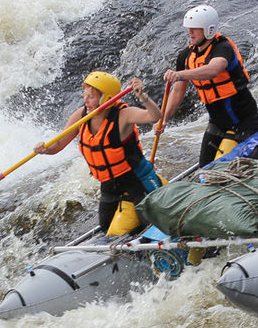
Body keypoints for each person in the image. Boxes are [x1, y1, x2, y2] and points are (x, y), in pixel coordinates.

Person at [35, 71, 163, 233]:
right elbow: (58, 145)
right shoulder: (81, 116)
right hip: (109, 186)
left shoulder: (124, 115)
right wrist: (45, 149)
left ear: (107, 99)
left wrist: (142, 96)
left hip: (136, 182)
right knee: (105, 228)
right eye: (85, 95)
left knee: (151, 228)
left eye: (91, 97)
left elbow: (155, 116)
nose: (86, 101)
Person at [162, 4, 258, 167]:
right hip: (217, 121)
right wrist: (164, 118)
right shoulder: (185, 56)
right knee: (205, 170)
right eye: (189, 28)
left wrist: (181, 74)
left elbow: (213, 69)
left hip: (245, 119)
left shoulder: (222, 48)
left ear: (208, 29)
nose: (190, 32)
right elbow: (178, 91)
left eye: (195, 28)